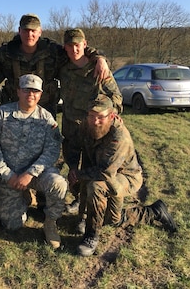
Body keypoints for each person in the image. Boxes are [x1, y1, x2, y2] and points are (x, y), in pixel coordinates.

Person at [66, 94, 177, 257]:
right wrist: (73, 168)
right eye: (91, 116)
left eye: (100, 117)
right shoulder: (86, 125)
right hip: (100, 172)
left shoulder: (119, 137)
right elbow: (72, 146)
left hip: (125, 176)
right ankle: (88, 219)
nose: (95, 121)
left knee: (98, 190)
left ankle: (91, 236)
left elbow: (105, 172)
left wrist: (79, 175)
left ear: (111, 115)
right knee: (105, 208)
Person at [0, 14, 110, 119]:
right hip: (14, 108)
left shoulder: (52, 51)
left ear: (40, 32)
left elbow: (75, 49)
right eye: (26, 31)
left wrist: (99, 57)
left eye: (33, 31)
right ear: (19, 31)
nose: (29, 35)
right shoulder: (7, 52)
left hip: (45, 109)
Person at [0, 74, 68, 249]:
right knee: (13, 225)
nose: (31, 94)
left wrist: (30, 173)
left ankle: (50, 223)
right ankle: (26, 197)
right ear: (18, 91)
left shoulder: (47, 120)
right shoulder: (1, 115)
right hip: (9, 177)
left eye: (35, 91)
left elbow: (52, 151)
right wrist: (8, 175)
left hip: (35, 175)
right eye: (26, 90)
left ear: (41, 94)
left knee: (59, 183)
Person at [59, 28, 123, 217]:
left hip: (92, 130)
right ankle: (78, 199)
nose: (74, 49)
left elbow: (116, 97)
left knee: (90, 168)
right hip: (71, 128)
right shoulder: (64, 68)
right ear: (65, 47)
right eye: (70, 46)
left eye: (77, 45)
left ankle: (86, 212)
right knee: (72, 167)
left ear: (84, 45)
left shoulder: (98, 68)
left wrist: (111, 114)